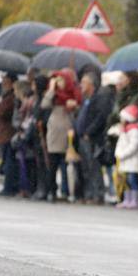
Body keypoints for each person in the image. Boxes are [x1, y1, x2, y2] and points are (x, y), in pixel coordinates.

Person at [41, 69, 81, 202]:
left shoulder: (73, 93)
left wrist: (74, 105)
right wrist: (52, 89)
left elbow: (79, 105)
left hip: (67, 131)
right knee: (52, 163)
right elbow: (44, 104)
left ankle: (68, 191)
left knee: (67, 164)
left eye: (62, 80)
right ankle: (51, 191)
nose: (60, 83)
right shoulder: (54, 95)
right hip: (54, 131)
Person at [75, 71, 112, 203]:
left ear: (91, 84)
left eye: (84, 83)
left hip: (91, 138)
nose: (81, 85)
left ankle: (98, 194)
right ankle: (89, 193)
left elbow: (100, 118)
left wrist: (88, 132)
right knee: (85, 167)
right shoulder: (86, 99)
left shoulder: (98, 98)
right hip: (82, 138)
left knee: (94, 166)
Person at [0, 74, 19, 196]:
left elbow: (4, 113)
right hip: (2, 133)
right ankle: (8, 186)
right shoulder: (4, 96)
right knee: (6, 160)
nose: (3, 84)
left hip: (8, 133)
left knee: (9, 161)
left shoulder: (11, 97)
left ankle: (9, 187)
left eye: (6, 81)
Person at [114, 104, 138, 208]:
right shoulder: (124, 130)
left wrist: (122, 154)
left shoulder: (135, 130)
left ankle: (135, 199)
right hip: (125, 161)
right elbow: (120, 143)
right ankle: (127, 199)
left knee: (133, 180)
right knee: (125, 181)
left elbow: (134, 146)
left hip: (132, 161)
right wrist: (117, 153)